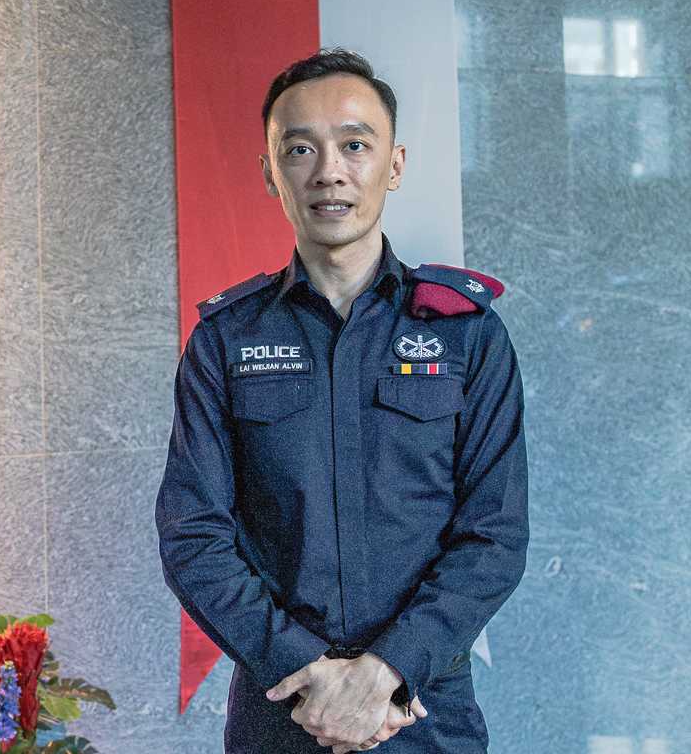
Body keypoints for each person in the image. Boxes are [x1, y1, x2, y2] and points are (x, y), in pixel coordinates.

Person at [155, 49, 529, 752]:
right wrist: (309, 675)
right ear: (270, 172)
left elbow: (495, 535)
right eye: (300, 149)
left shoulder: (467, 335)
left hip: (422, 714)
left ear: (395, 163)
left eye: (355, 145)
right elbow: (192, 534)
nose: (329, 171)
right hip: (281, 715)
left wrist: (387, 672)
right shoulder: (227, 340)